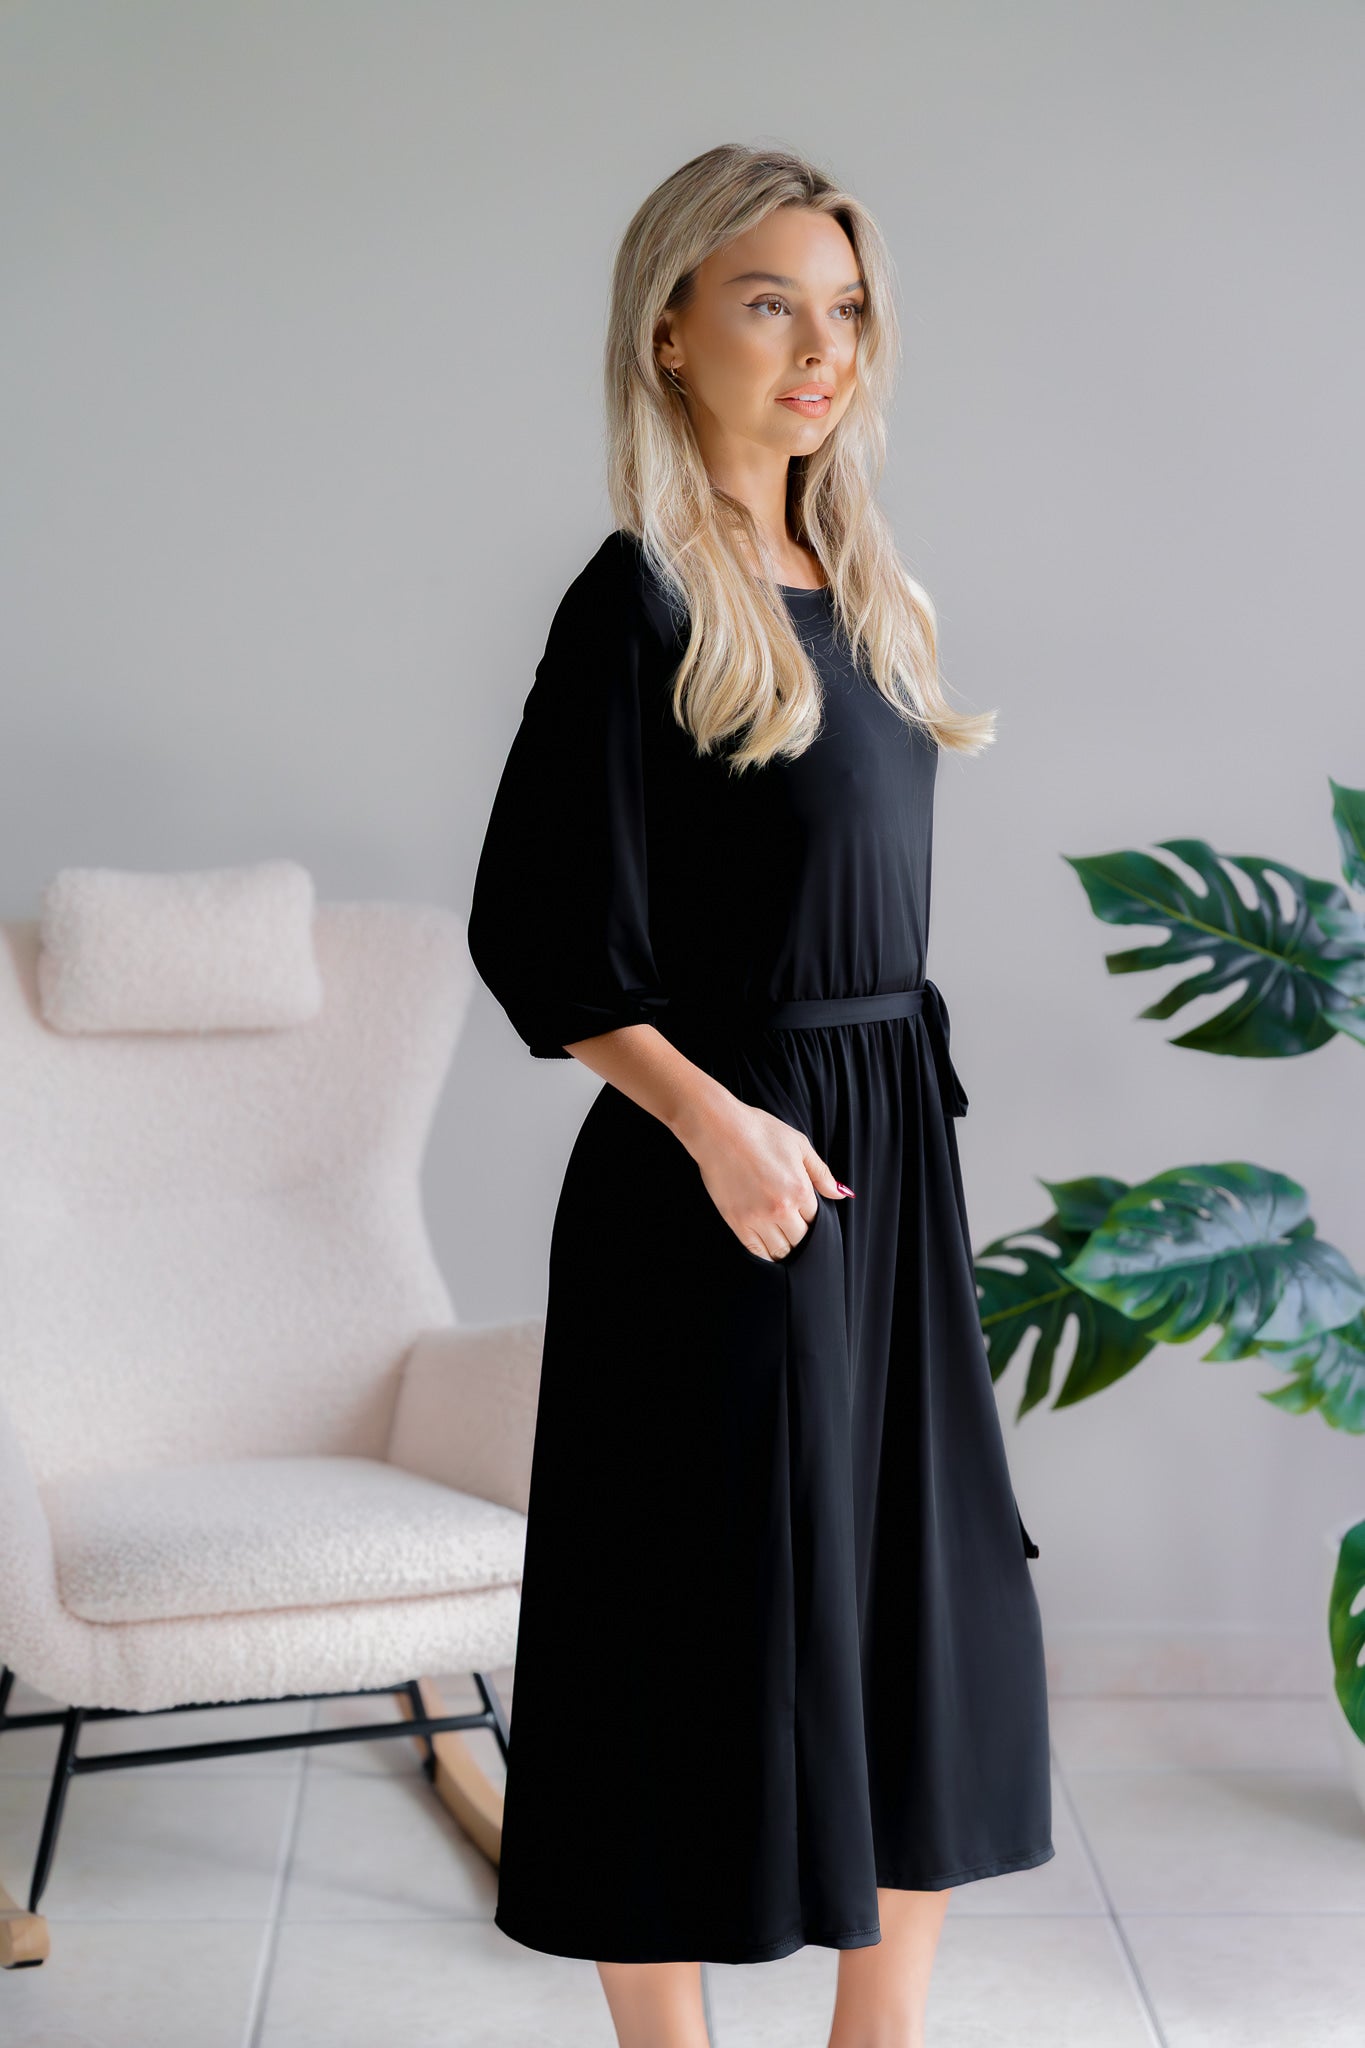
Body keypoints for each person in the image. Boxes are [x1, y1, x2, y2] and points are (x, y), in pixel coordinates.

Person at [467, 141, 1052, 2048]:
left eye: (846, 309)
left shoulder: (868, 587)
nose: (820, 351)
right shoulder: (636, 599)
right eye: (768, 305)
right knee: (678, 1634)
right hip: (717, 1177)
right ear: (669, 334)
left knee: (925, 1619)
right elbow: (540, 935)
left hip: (889, 1162)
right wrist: (719, 1128)